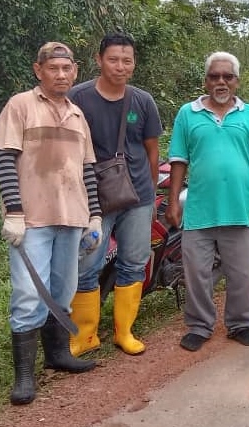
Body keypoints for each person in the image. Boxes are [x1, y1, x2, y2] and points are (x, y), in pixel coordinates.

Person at [0, 42, 100, 405]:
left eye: (66, 68)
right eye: (52, 68)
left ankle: (59, 356)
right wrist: (14, 212)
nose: (60, 74)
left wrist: (95, 216)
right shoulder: (20, 105)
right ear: (38, 70)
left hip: (72, 217)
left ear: (75, 71)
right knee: (28, 295)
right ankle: (24, 376)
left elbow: (87, 169)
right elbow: (6, 160)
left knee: (62, 290)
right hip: (32, 220)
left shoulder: (76, 114)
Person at [165, 52, 249, 351]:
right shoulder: (188, 114)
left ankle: (240, 324)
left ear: (237, 81)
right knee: (196, 273)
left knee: (240, 273)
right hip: (199, 208)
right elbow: (178, 160)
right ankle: (199, 326)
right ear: (206, 80)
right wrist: (173, 201)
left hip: (241, 207)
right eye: (215, 76)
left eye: (228, 76)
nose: (221, 82)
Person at [68, 32, 163, 355]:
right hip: (94, 199)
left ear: (134, 64)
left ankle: (125, 332)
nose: (120, 66)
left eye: (127, 60)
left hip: (137, 197)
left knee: (134, 262)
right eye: (113, 59)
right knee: (87, 264)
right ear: (98, 60)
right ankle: (84, 335)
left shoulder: (142, 101)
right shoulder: (78, 99)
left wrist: (150, 192)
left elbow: (153, 150)